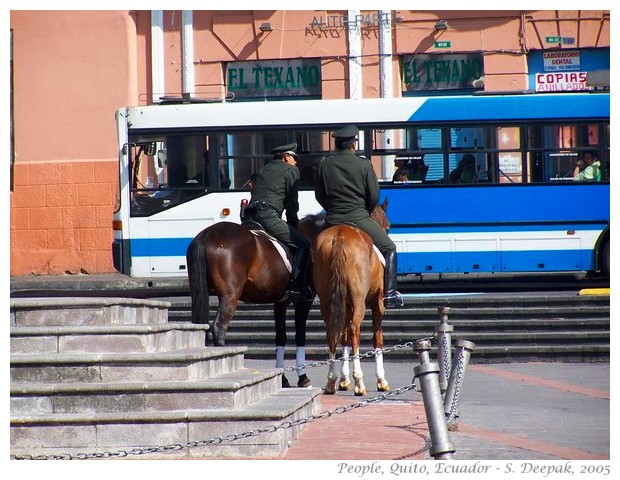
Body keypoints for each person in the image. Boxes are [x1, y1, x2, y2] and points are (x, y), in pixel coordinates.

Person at [315, 125, 403, 308]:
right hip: (359, 217)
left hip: (332, 219)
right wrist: (365, 210)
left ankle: (306, 288)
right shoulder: (364, 164)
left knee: (313, 249)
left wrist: (332, 209)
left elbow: (319, 195)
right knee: (389, 247)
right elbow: (373, 196)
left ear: (337, 144)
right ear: (353, 145)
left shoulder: (324, 164)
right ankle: (390, 294)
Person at [243, 143, 314, 302]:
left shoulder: (264, 169)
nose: (296, 161)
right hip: (267, 216)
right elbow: (292, 206)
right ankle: (297, 286)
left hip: (249, 216)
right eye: (294, 157)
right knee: (303, 244)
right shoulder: (291, 170)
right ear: (286, 157)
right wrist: (294, 229)